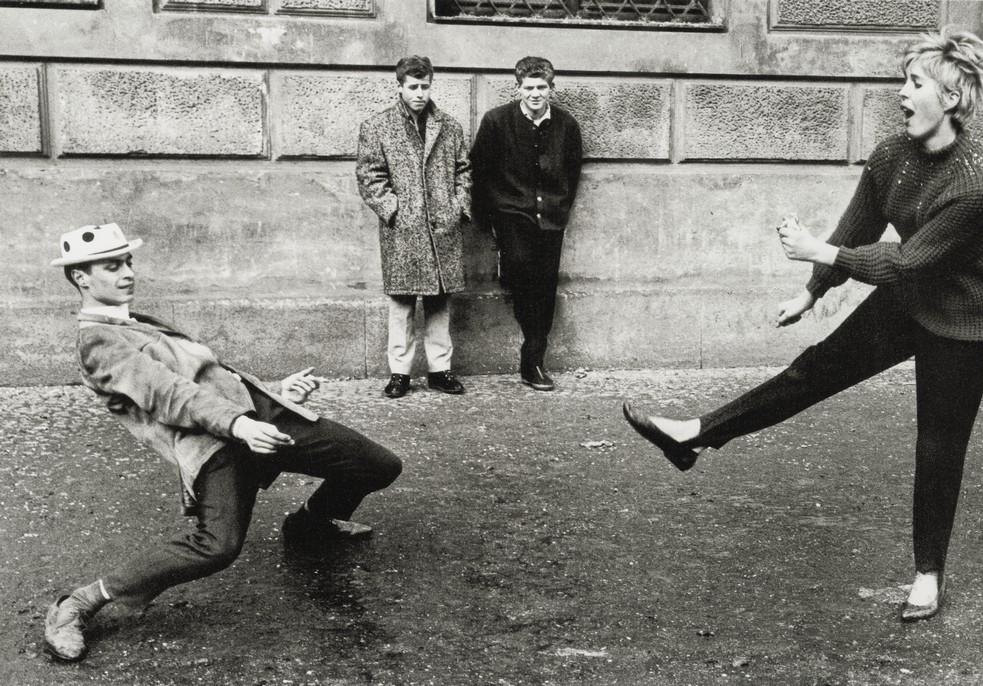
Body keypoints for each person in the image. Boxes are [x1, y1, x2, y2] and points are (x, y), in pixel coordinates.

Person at [623, 29, 983, 623]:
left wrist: (815, 253)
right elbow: (857, 233)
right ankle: (696, 436)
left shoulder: (980, 183)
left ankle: (928, 574)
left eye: (915, 83)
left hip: (965, 315)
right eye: (903, 81)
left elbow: (905, 260)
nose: (901, 94)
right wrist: (811, 292)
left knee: (938, 443)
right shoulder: (892, 156)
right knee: (814, 369)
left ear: (953, 98)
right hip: (913, 295)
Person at [43, 223, 402, 662]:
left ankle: (310, 524)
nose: (127, 273)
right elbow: (169, 393)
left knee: (377, 465)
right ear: (81, 277)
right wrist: (239, 426)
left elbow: (213, 377)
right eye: (112, 266)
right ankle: (78, 603)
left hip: (257, 417)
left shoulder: (134, 320)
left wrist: (275, 393)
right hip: (216, 444)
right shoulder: (98, 341)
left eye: (129, 262)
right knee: (217, 545)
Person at [356, 55, 472, 399]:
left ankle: (440, 370)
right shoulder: (378, 126)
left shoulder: (449, 126)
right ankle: (400, 373)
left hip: (442, 228)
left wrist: (457, 207)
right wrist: (394, 211)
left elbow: (464, 171)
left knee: (439, 303)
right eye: (413, 87)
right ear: (400, 86)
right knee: (401, 304)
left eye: (425, 86)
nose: (420, 93)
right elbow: (369, 176)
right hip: (403, 231)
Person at [471, 56, 584, 391]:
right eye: (528, 87)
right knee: (521, 273)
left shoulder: (566, 125)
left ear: (551, 88)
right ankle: (531, 353)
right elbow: (480, 170)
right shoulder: (497, 122)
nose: (535, 94)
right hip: (512, 217)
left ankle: (533, 359)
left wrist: (560, 206)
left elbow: (572, 172)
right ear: (517, 88)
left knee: (545, 287)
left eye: (541, 87)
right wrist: (488, 218)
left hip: (550, 219)